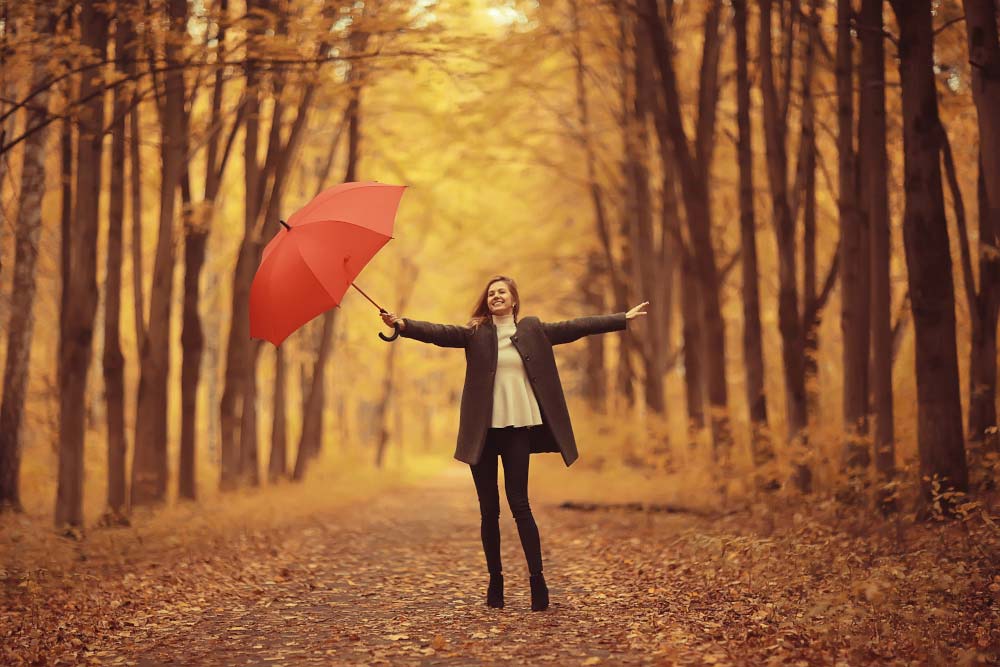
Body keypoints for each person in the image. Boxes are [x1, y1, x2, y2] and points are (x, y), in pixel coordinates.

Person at [380, 275, 647, 611]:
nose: (496, 296)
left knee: (520, 504)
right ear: (487, 301)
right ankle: (496, 581)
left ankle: (538, 582)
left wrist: (621, 319)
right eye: (491, 292)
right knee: (488, 510)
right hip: (482, 432)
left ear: (514, 299)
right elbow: (439, 333)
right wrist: (403, 324)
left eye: (502, 292)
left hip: (518, 427)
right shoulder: (476, 333)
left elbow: (576, 326)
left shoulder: (533, 329)